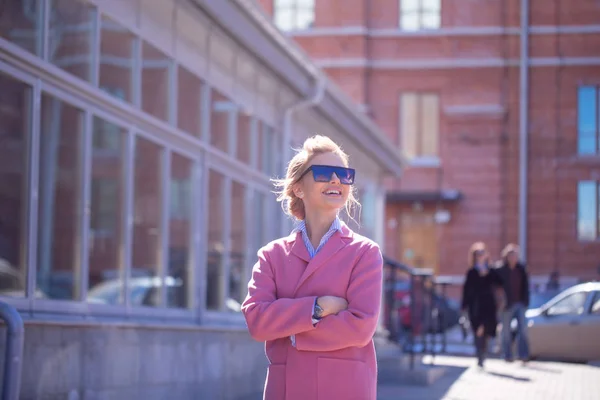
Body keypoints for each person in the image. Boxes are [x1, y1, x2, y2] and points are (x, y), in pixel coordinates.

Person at [241, 135, 383, 400]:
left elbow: (361, 326)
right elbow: (257, 321)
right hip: (287, 388)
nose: (335, 180)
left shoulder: (365, 253)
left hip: (345, 388)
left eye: (343, 174)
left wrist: (292, 333)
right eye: (323, 173)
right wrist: (318, 307)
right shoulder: (272, 255)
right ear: (298, 188)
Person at [461, 242, 501, 368]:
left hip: (488, 305)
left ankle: (483, 353)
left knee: (487, 330)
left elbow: (499, 282)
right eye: (478, 254)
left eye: (482, 253)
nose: (480, 256)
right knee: (477, 329)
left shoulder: (491, 270)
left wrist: (488, 272)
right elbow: (467, 290)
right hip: (476, 305)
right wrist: (464, 305)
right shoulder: (472, 271)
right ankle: (479, 355)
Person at [496, 244, 530, 363]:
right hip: (506, 305)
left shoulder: (521, 269)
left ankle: (523, 355)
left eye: (515, 255)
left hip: (520, 303)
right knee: (506, 332)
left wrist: (526, 301)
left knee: (523, 329)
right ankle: (507, 355)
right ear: (506, 256)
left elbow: (526, 286)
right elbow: (496, 286)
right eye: (511, 255)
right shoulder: (500, 270)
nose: (513, 258)